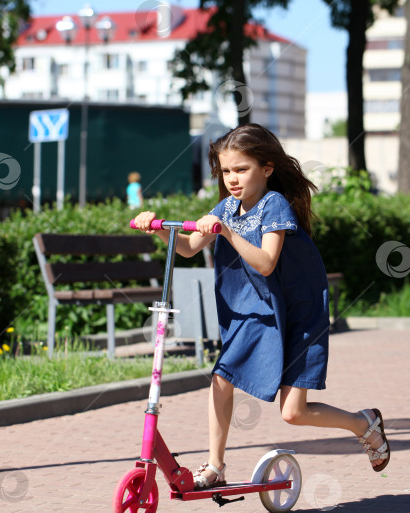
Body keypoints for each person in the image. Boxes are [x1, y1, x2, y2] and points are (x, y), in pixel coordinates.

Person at [132, 123, 390, 489]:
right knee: (221, 378)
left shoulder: (274, 205)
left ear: (267, 168)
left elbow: (267, 262)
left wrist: (227, 231)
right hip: (257, 310)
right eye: (226, 171)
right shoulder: (226, 207)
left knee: (293, 413)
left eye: (241, 169)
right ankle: (215, 466)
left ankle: (363, 424)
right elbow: (189, 247)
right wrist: (157, 228)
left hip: (298, 311)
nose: (232, 179)